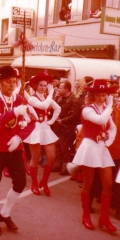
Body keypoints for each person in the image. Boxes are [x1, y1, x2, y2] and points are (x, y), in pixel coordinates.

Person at [0, 66, 35, 236]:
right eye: (8, 82)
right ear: (0, 82)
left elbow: (32, 121)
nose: (12, 85)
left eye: (14, 82)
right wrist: (13, 112)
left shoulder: (19, 98)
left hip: (14, 148)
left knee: (20, 182)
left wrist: (19, 137)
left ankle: (4, 213)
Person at [72, 79, 117, 232]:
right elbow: (100, 120)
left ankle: (104, 217)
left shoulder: (105, 109)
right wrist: (110, 106)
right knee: (88, 184)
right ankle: (86, 215)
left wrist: (108, 142)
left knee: (108, 184)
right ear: (92, 95)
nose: (101, 98)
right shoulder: (87, 109)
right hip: (89, 148)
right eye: (98, 95)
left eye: (104, 95)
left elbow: (112, 127)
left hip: (101, 149)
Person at [23, 72, 60, 195]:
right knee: (35, 157)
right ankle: (34, 183)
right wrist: (51, 94)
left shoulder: (47, 97)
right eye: (41, 85)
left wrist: (51, 121)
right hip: (35, 129)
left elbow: (58, 108)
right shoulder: (32, 98)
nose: (44, 88)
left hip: (45, 128)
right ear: (35, 86)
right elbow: (43, 105)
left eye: (45, 85)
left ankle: (44, 181)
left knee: (52, 156)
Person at [52, 80, 81, 175]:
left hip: (67, 128)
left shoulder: (73, 100)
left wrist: (63, 121)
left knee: (65, 149)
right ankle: (57, 165)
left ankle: (65, 168)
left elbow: (74, 115)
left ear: (66, 89)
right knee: (57, 148)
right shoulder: (60, 99)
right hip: (58, 127)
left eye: (61, 87)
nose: (59, 89)